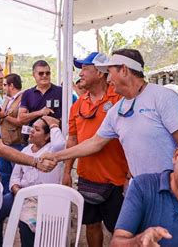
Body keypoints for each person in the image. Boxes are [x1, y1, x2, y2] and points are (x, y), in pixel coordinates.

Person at [41, 49, 178, 177]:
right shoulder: (116, 110)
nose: (108, 78)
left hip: (170, 186)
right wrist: (56, 156)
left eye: (110, 72)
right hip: (139, 187)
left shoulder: (163, 97)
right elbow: (94, 143)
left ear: (124, 70)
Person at [65, 52, 129, 247]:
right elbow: (73, 139)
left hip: (116, 179)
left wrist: (129, 175)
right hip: (87, 178)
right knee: (91, 225)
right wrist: (67, 171)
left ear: (100, 73)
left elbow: (131, 138)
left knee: (119, 229)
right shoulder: (77, 105)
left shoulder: (120, 99)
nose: (81, 73)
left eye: (85, 68)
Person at [8, 116, 64, 247]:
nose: (31, 131)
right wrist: (16, 189)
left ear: (47, 136)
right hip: (22, 196)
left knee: (26, 221)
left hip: (45, 199)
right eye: (32, 128)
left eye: (37, 129)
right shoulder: (25, 150)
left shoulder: (53, 151)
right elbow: (15, 176)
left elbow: (60, 143)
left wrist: (53, 124)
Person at [0, 73, 25, 194]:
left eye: (5, 85)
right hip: (4, 143)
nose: (3, 88)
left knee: (16, 177)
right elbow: (1, 114)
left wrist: (5, 116)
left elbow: (20, 121)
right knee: (4, 174)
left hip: (16, 143)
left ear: (11, 85)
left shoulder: (23, 98)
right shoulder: (8, 99)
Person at [18, 60, 63, 127]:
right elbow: (21, 119)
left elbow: (70, 115)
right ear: (34, 75)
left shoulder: (61, 91)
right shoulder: (27, 93)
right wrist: (40, 112)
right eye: (41, 73)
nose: (44, 75)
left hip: (56, 135)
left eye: (47, 73)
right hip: (33, 135)